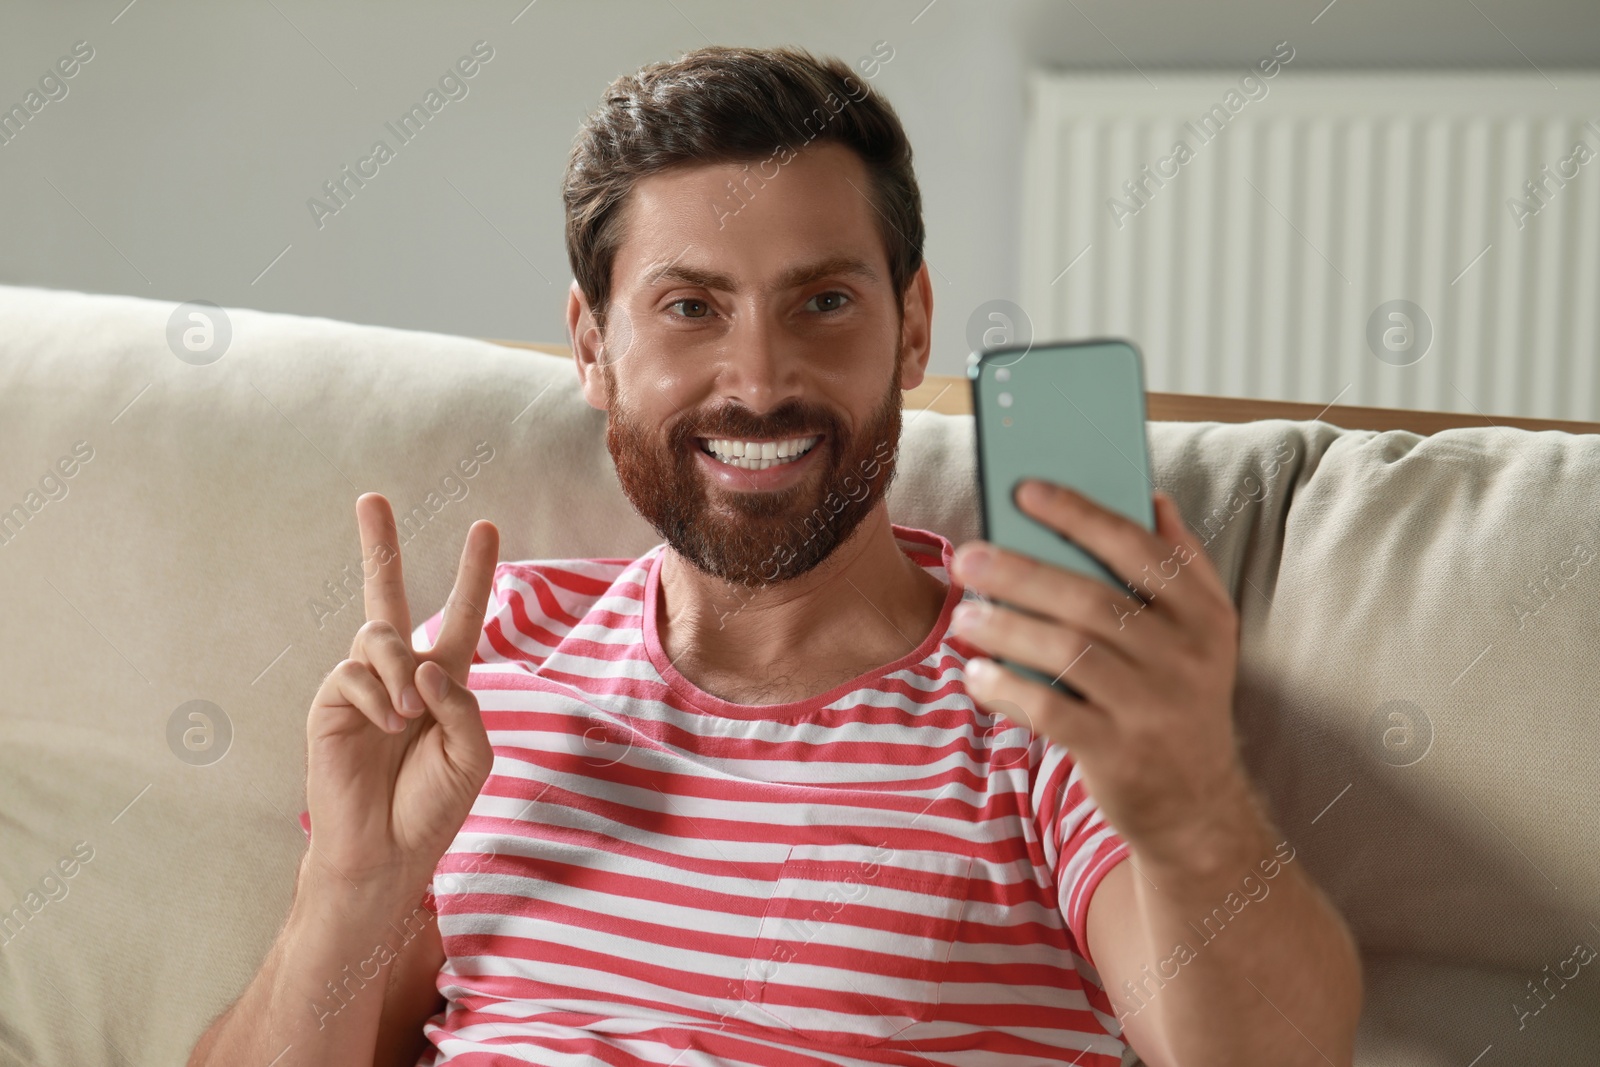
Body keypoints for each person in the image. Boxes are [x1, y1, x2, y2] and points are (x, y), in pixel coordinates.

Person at [189, 45, 1361, 1067]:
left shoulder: (1038, 684)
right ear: (594, 347)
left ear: (910, 328)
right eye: (692, 308)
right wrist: (352, 889)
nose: (757, 381)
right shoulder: (481, 662)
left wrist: (1191, 801)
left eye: (823, 303)